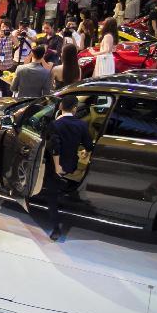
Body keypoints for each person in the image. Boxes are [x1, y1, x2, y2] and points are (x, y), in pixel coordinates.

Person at [46, 95, 95, 241]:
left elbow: (54, 147)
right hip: (71, 164)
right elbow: (89, 145)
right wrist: (85, 151)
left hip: (56, 166)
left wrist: (57, 167)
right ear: (75, 108)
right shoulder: (82, 125)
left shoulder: (54, 125)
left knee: (52, 196)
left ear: (60, 107)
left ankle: (55, 229)